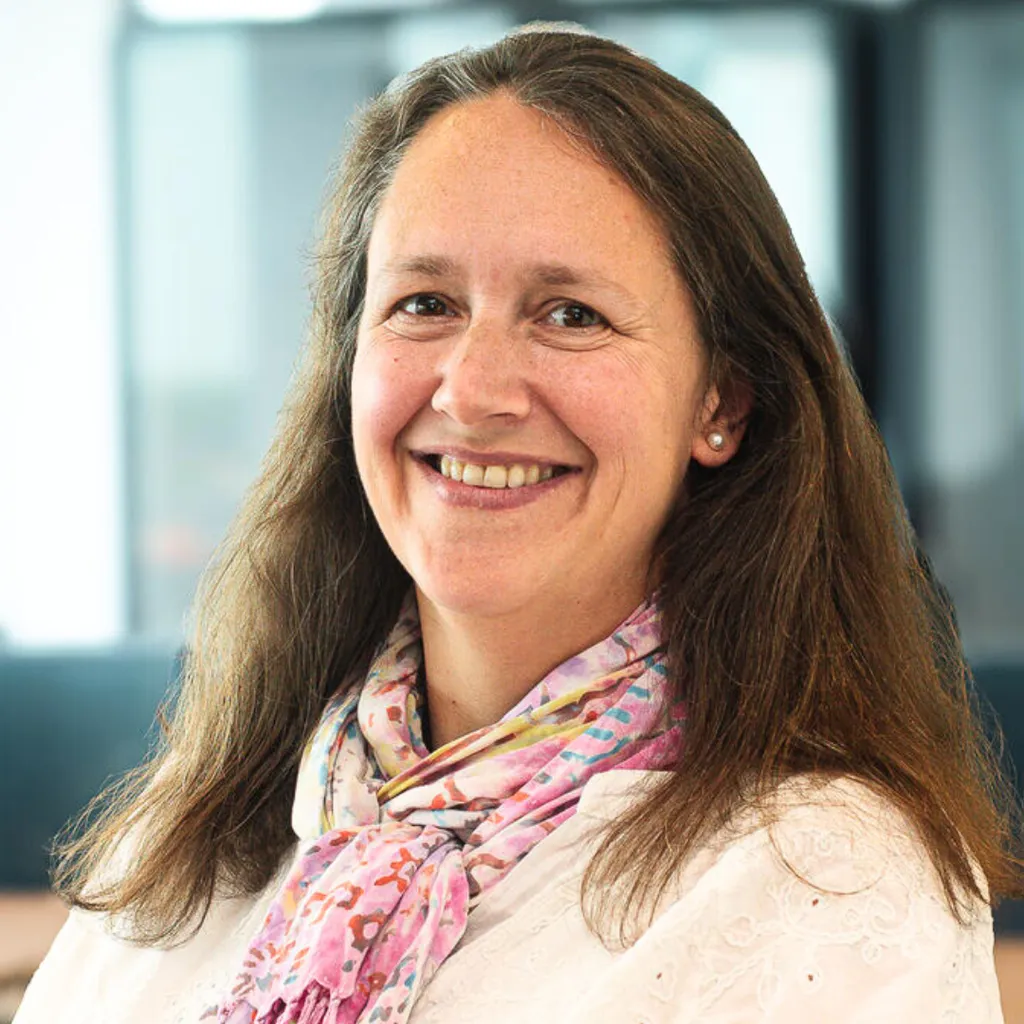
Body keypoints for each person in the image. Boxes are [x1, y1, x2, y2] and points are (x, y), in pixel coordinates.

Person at [14, 23, 1021, 1024]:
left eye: (569, 314)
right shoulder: (191, 839)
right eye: (424, 302)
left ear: (721, 402)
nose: (474, 388)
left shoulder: (829, 886)